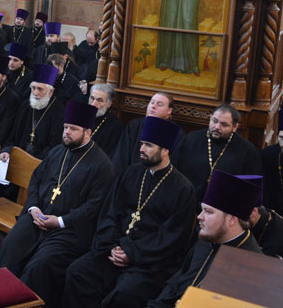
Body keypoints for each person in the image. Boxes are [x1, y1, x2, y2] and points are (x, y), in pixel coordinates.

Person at [63, 117, 195, 308]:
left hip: (147, 262)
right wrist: (112, 246)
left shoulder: (183, 189)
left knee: (124, 294)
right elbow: (110, 213)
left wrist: (131, 252)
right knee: (78, 272)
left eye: (148, 145)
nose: (141, 149)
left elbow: (172, 237)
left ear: (165, 150)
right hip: (113, 250)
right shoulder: (131, 173)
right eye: (141, 144)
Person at [0, 101, 115, 308]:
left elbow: (94, 207)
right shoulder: (57, 151)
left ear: (88, 132)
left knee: (39, 267)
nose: (67, 132)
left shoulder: (103, 165)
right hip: (38, 217)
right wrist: (33, 208)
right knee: (10, 247)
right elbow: (36, 180)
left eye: (73, 129)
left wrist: (59, 221)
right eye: (65, 127)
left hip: (69, 230)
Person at [147, 170, 263, 308]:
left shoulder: (252, 266)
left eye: (208, 212)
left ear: (232, 220)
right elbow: (176, 284)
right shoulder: (207, 240)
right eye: (202, 210)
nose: (199, 217)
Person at [173, 104, 263, 210]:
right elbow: (174, 171)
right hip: (185, 204)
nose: (217, 127)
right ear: (210, 118)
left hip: (223, 210)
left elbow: (248, 190)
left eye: (224, 124)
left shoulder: (247, 151)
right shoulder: (190, 139)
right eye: (214, 121)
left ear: (235, 127)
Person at [3, 63, 65, 160]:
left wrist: (32, 161)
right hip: (17, 158)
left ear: (51, 92)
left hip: (41, 162)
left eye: (40, 89)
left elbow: (54, 147)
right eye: (33, 88)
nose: (35, 93)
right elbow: (12, 135)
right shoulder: (25, 106)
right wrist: (7, 150)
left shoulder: (59, 111)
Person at [111, 92, 182, 174]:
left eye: (159, 104)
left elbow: (174, 162)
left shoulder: (176, 133)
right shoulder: (134, 125)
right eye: (152, 102)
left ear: (169, 110)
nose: (153, 106)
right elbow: (121, 156)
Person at [88, 84, 125, 156]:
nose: (93, 104)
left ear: (109, 104)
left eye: (99, 100)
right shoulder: (80, 114)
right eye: (92, 98)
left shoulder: (116, 126)